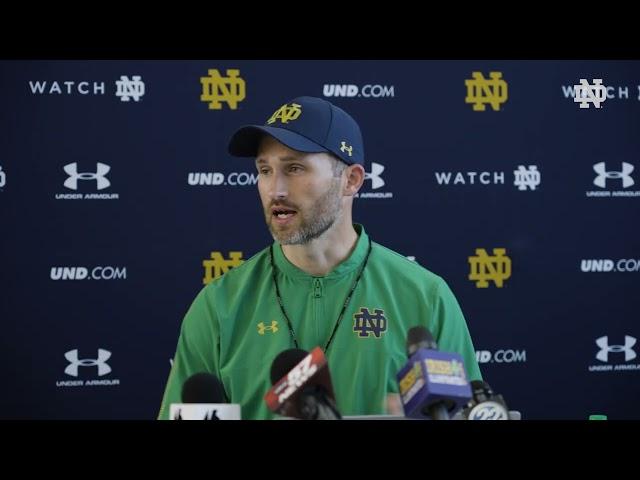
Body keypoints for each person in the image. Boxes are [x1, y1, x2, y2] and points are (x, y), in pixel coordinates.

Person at [158, 96, 481, 420]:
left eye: (294, 168)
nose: (276, 190)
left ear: (351, 180)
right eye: (265, 170)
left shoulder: (425, 297)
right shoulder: (218, 307)